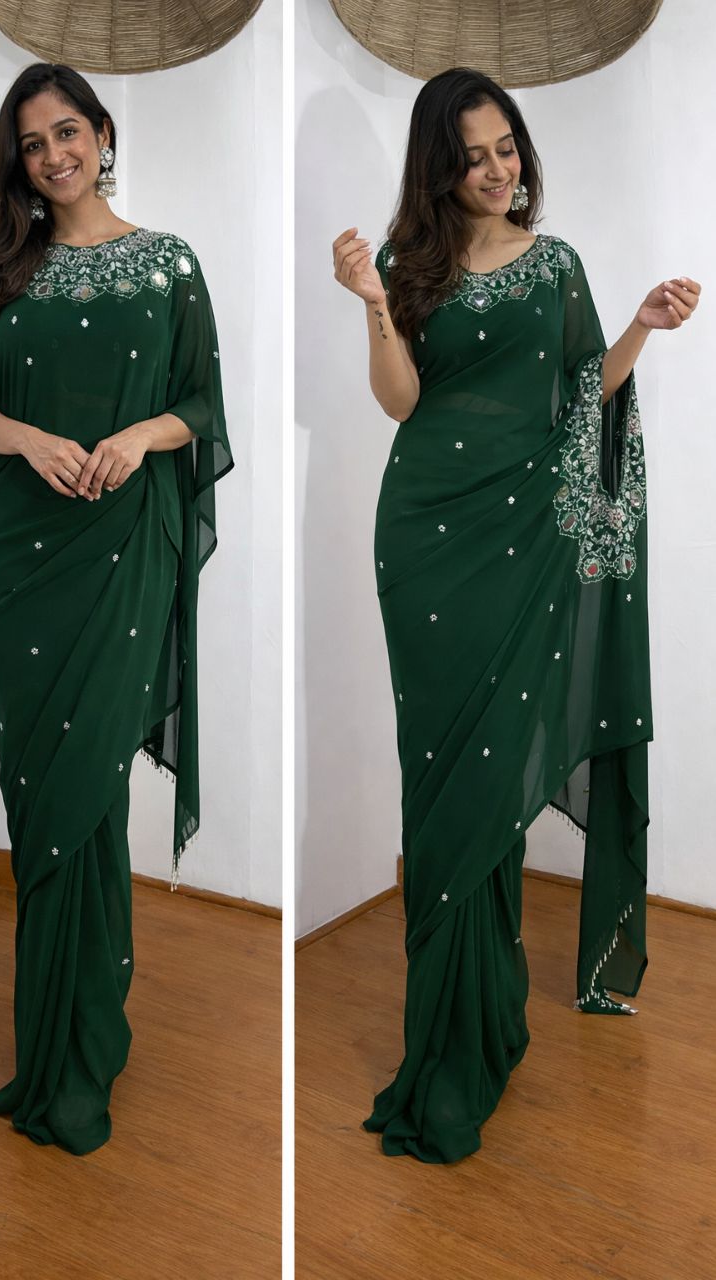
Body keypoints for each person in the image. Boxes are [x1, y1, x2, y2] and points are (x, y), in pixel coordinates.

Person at [332, 66, 699, 1164]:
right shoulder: (410, 266)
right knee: (441, 778)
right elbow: (399, 400)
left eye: (508, 149)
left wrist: (636, 326)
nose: (498, 170)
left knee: (492, 777)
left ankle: (483, 1031)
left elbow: (582, 393)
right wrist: (369, 303)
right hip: (426, 538)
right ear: (438, 166)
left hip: (523, 540)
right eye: (475, 155)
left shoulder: (558, 266)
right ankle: (448, 1040)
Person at [0, 62, 233, 1155]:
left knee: (89, 787)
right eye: (31, 142)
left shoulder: (170, 265)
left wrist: (133, 437)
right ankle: (51, 1048)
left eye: (69, 131)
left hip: (123, 549)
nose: (54, 154)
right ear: (16, 163)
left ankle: (80, 1049)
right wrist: (36, 439)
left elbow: (202, 399)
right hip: (19, 559)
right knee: (44, 797)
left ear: (104, 134)